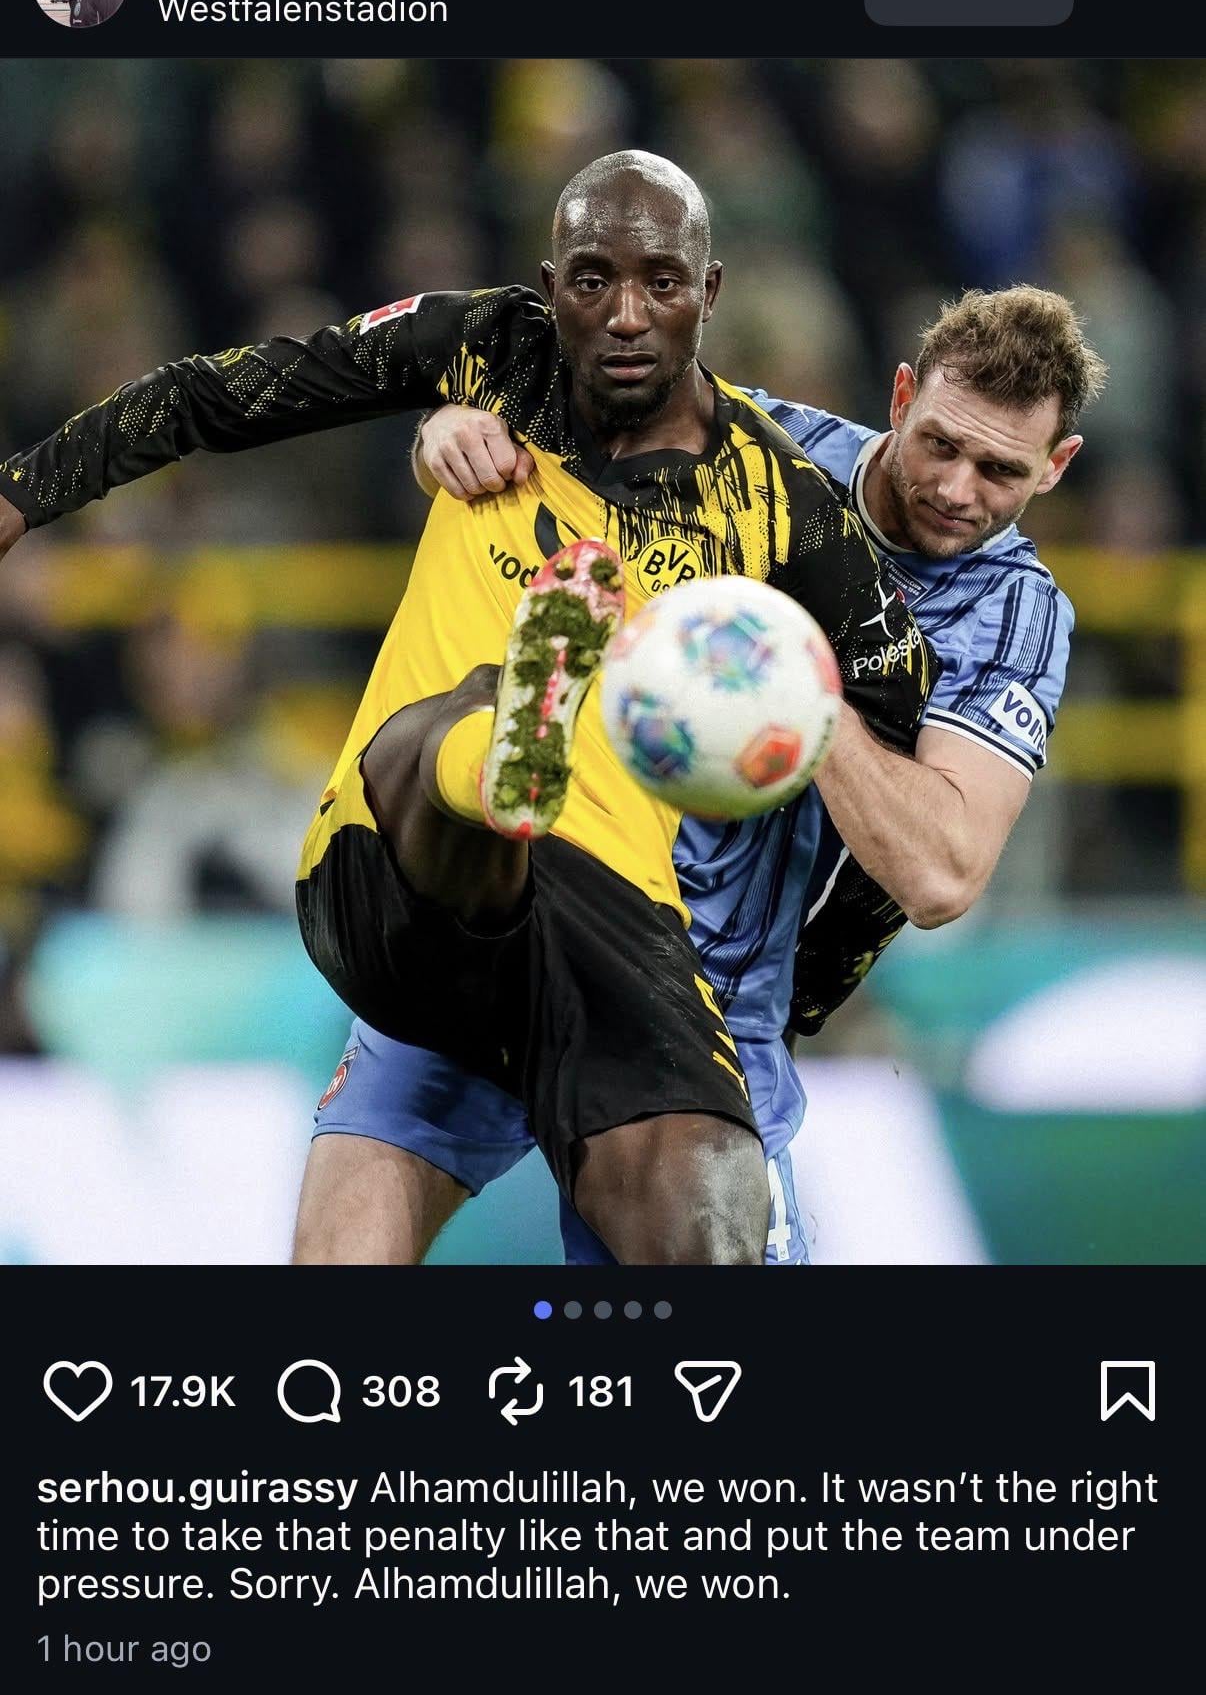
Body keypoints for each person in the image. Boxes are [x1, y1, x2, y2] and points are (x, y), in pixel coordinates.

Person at [0, 151, 933, 1266]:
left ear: (709, 290)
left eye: (661, 282)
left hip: (608, 926)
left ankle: (509, 751)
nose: (626, 315)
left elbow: (898, 723)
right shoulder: (488, 350)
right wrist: (23, 491)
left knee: (705, 1232)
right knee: (462, 726)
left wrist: (805, 986)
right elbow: (227, 392)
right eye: (592, 280)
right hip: (400, 870)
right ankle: (506, 750)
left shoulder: (789, 509)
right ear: (549, 286)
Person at [308, 285, 1103, 1266]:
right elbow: (516, 435)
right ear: (901, 396)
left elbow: (942, 873)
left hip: (697, 1013)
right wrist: (446, 437)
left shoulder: (1012, 617)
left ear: (1056, 465)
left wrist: (794, 694)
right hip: (517, 928)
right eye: (939, 443)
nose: (956, 486)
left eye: (1000, 470)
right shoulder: (743, 444)